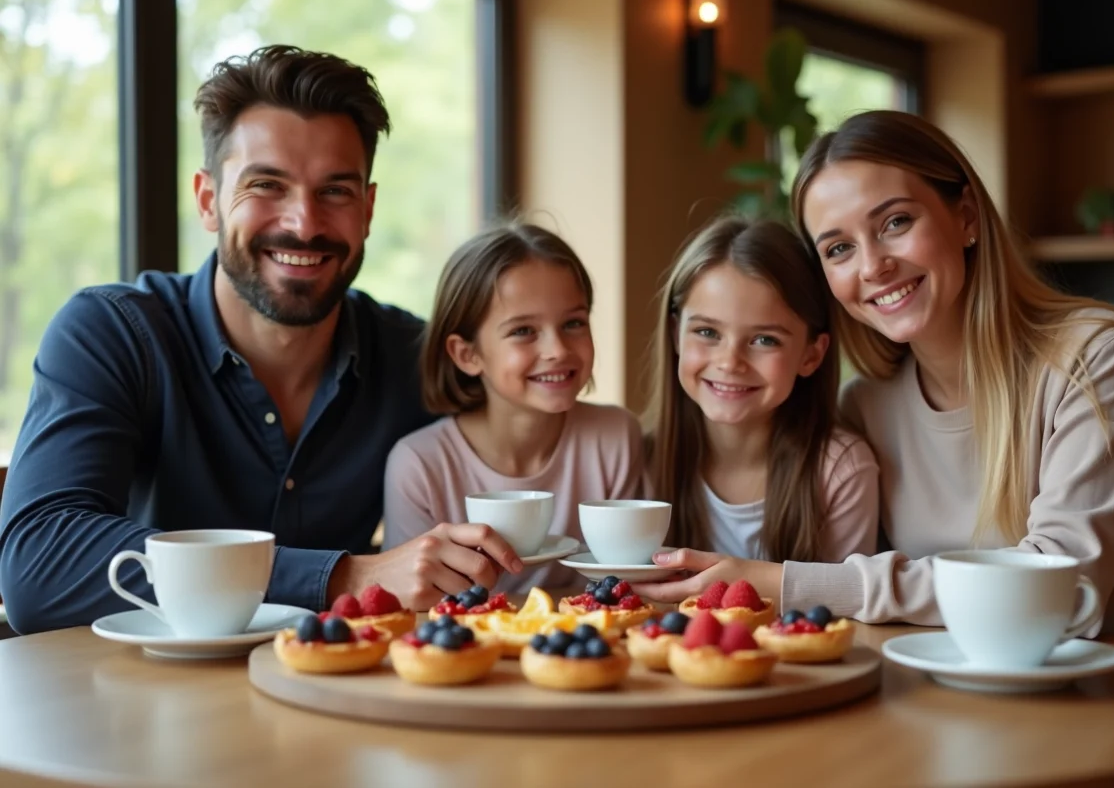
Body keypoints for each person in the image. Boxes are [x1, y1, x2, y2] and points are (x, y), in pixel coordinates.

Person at [0, 45, 521, 634]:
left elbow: (527, 462)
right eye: (267, 185)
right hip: (146, 687)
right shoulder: (113, 333)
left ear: (368, 209)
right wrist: (342, 577)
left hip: (344, 681)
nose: (304, 223)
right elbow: (38, 564)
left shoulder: (413, 357)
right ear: (209, 201)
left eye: (335, 191)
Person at [783, 109, 1114, 645]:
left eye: (895, 223)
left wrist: (791, 584)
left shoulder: (1097, 356)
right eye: (839, 248)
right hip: (951, 681)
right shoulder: (864, 405)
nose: (872, 266)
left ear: (967, 217)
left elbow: (1059, 590)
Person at [382, 223, 643, 594]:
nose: (558, 350)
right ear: (467, 354)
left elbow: (630, 587)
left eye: (573, 323)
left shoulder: (615, 437)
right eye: (523, 331)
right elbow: (409, 600)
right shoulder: (419, 465)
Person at [635, 216, 879, 604]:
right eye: (707, 332)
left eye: (765, 340)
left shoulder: (840, 471)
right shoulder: (640, 460)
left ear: (811, 355)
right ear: (676, 334)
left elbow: (843, 609)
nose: (730, 362)